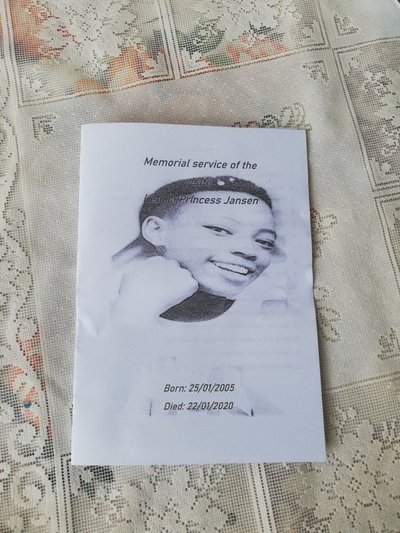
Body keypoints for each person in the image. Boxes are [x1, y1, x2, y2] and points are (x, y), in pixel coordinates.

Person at [112, 176, 278, 323]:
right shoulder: (102, 298)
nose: (249, 251)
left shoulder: (265, 319)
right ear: (156, 230)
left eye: (265, 242)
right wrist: (135, 312)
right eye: (219, 229)